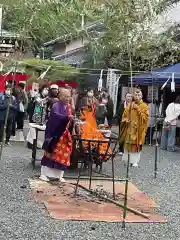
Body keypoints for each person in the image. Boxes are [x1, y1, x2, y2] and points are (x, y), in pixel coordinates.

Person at [40, 88, 74, 182]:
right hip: (53, 133)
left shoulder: (69, 107)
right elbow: (55, 116)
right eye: (65, 96)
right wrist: (66, 117)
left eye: (69, 96)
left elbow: (70, 120)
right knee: (50, 153)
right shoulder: (56, 105)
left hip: (64, 134)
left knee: (63, 154)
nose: (67, 98)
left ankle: (59, 175)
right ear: (60, 96)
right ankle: (44, 174)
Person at [120, 89, 149, 167]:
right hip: (130, 128)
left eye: (139, 95)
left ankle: (135, 161)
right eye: (135, 95)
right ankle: (126, 159)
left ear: (141, 96)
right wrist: (126, 120)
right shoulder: (130, 105)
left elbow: (145, 119)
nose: (137, 96)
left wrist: (138, 109)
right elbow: (124, 115)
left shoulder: (144, 106)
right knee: (128, 144)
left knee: (136, 145)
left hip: (138, 130)